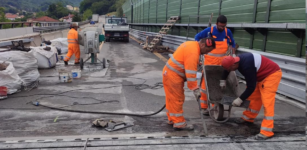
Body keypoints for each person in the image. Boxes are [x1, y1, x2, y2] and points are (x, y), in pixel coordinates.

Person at [220, 53, 282, 140]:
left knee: (267, 102)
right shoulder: (235, 61)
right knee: (253, 97)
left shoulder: (247, 66)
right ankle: (248, 118)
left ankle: (267, 131)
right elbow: (227, 69)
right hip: (259, 76)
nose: (229, 70)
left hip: (271, 75)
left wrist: (240, 99)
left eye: (230, 69)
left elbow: (250, 87)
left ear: (234, 64)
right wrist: (223, 80)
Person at [162, 38, 216, 130]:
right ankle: (179, 123)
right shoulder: (193, 52)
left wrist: (196, 62)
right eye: (207, 50)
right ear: (203, 45)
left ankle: (172, 119)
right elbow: (191, 74)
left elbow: (185, 59)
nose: (206, 53)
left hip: (168, 73)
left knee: (171, 99)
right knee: (177, 99)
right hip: (173, 76)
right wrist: (195, 88)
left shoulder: (192, 45)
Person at [194, 15, 236, 115]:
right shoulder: (209, 31)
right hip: (209, 63)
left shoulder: (227, 32)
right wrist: (199, 51)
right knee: (205, 86)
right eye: (220, 26)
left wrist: (233, 54)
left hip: (221, 64)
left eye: (224, 26)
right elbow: (197, 38)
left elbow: (232, 44)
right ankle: (204, 107)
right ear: (216, 24)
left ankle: (215, 106)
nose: (222, 28)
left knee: (217, 86)